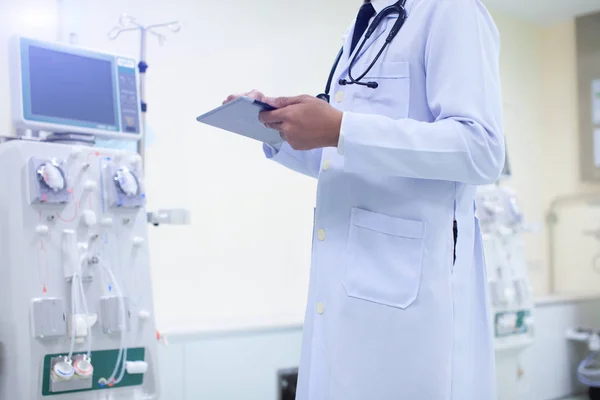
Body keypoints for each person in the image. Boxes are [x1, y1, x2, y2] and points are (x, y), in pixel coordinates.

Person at [224, 0, 504, 398]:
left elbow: (482, 150)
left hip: (412, 304)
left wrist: (340, 128)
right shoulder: (363, 25)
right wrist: (277, 129)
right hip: (342, 288)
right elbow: (348, 160)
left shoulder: (450, 10)